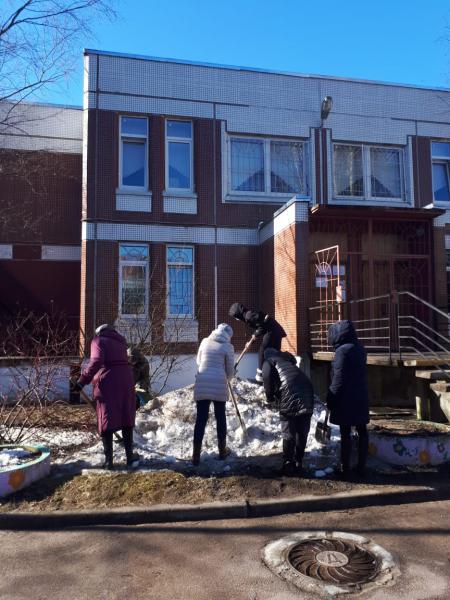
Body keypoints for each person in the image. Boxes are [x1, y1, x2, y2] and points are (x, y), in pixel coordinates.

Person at [72, 324, 137, 470]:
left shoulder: (98, 340)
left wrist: (82, 381)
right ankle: (130, 458)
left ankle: (109, 462)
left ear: (99, 332)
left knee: (106, 417)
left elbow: (96, 361)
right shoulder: (121, 341)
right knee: (126, 416)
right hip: (126, 380)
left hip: (108, 383)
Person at [327, 320, 369, 479]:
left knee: (346, 433)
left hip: (346, 399)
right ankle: (361, 468)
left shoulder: (342, 352)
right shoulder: (360, 348)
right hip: (361, 396)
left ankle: (346, 469)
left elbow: (338, 379)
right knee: (362, 430)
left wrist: (331, 397)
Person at [262, 348, 314, 476]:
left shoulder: (269, 361)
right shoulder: (287, 362)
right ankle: (299, 462)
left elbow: (266, 377)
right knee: (302, 430)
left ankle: (288, 464)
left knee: (288, 430)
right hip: (308, 390)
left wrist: (270, 397)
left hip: (289, 390)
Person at [192, 323, 235, 466]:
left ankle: (196, 456)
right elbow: (230, 372)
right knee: (220, 417)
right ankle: (222, 451)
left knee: (201, 418)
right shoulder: (228, 347)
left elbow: (199, 361)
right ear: (228, 335)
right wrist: (227, 376)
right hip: (219, 383)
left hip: (202, 381)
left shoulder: (205, 341)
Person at [228, 303, 286, 383]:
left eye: (235, 317)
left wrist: (255, 335)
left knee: (262, 351)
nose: (236, 319)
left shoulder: (249, 316)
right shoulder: (248, 316)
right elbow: (260, 326)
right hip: (274, 330)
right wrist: (250, 341)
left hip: (272, 331)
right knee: (273, 354)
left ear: (238, 314)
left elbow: (262, 325)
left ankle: (261, 376)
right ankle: (275, 376)